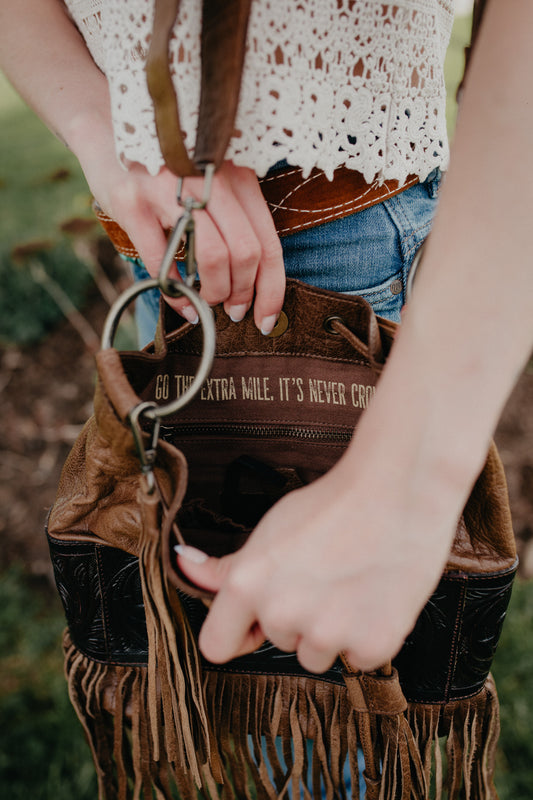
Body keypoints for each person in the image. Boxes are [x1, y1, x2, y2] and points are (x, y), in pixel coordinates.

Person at [1, 0, 531, 719]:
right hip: (159, 226)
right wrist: (109, 138)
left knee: (319, 709)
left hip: (331, 248)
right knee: (196, 684)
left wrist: (410, 479)